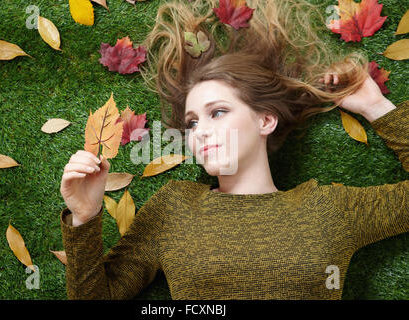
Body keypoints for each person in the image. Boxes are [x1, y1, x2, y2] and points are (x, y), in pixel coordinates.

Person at [59, 0, 408, 299]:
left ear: (265, 121)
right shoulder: (174, 207)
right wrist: (84, 218)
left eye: (218, 112)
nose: (200, 132)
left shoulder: (328, 210)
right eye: (192, 122)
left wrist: (376, 109)